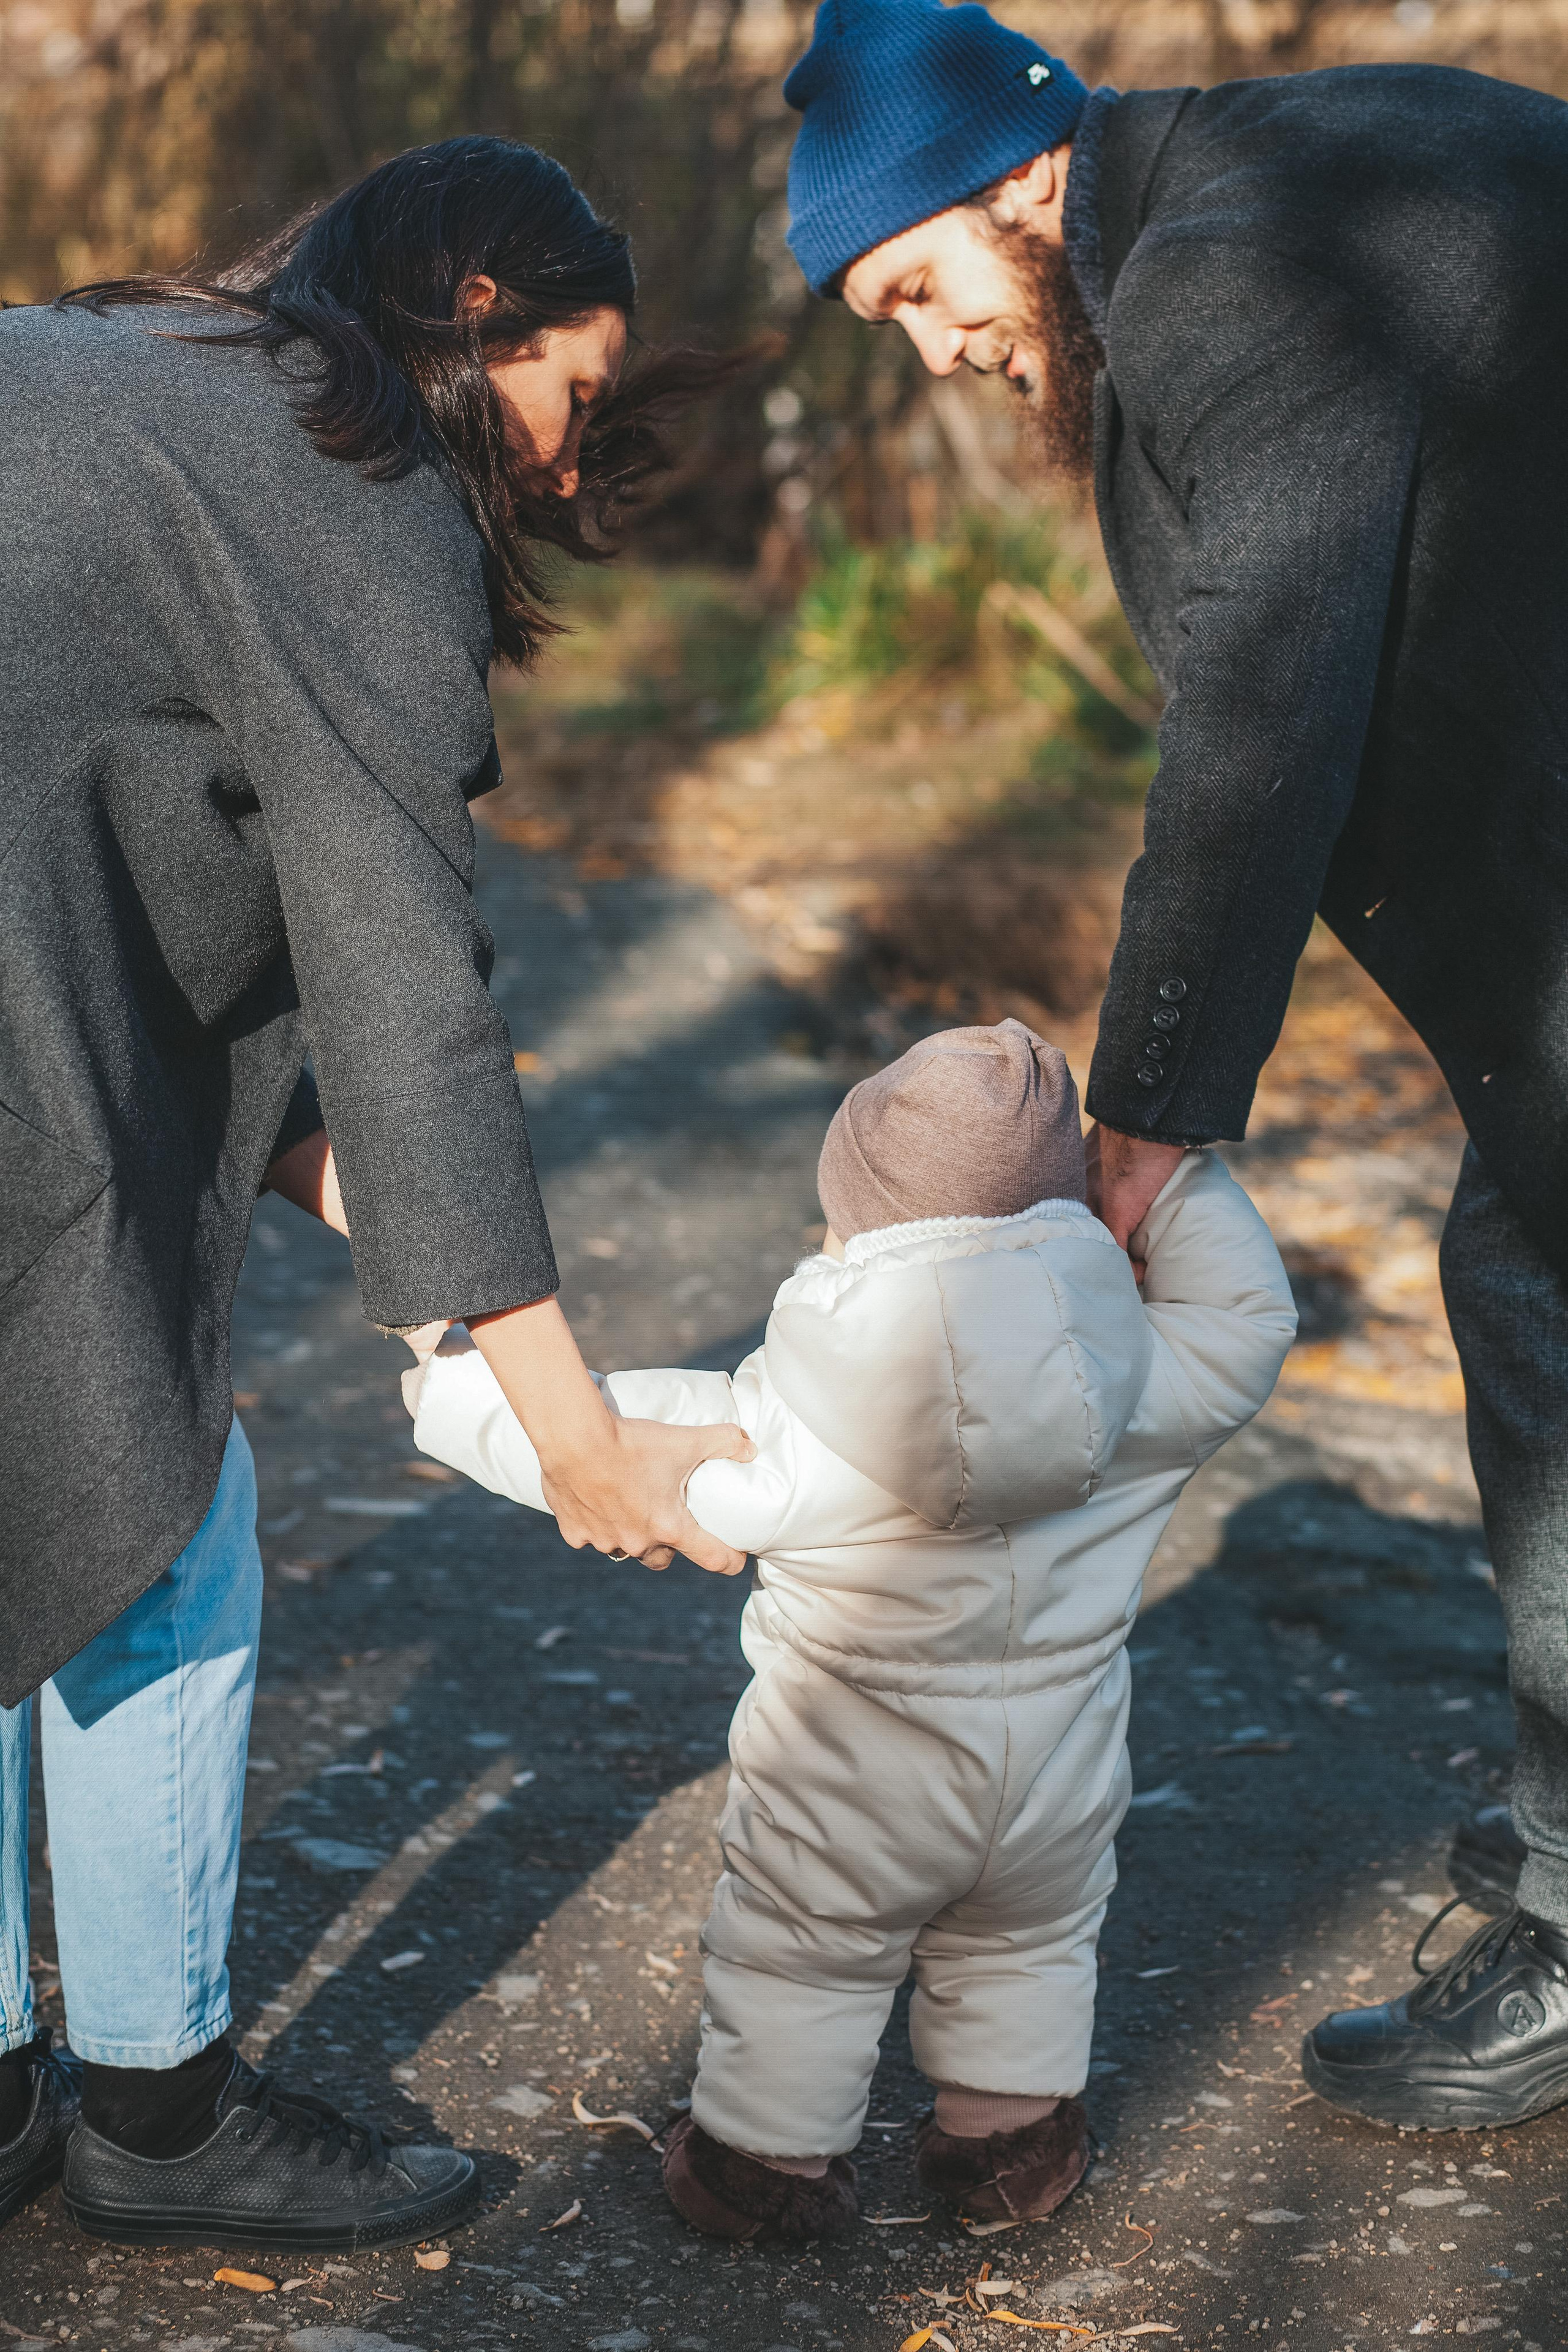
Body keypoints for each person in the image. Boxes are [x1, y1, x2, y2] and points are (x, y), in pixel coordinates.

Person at [779, 0, 1568, 2135]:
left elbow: (1264, 723)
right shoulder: (1291, 165)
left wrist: (1144, 1122)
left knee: (1531, 1296)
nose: (929, 344)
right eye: (884, 317)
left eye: (919, 286)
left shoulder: (1234, 263)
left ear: (1020, 175)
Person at [0, 134, 753, 2249]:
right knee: (152, 1505)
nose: (565, 467)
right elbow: (407, 986)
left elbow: (160, 873)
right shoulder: (353, 486)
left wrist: (406, 1264)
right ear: (476, 315)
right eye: (574, 401)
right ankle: (154, 2111)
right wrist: (577, 1427)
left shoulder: (152, 361)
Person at [404, 1020, 1296, 2239]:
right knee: (1027, 1945)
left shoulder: (783, 1424)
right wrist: (1169, 1177)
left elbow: (601, 1440)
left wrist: (446, 1373)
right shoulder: (1143, 1383)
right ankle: (1006, 2150)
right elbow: (1249, 1312)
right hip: (1053, 1781)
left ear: (851, 1233)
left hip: (844, 1791)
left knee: (799, 1959)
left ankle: (764, 2170)